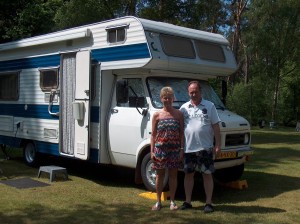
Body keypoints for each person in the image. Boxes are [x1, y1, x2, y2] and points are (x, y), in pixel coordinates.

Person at [179, 81, 221, 213]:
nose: (193, 94)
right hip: (188, 148)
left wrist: (218, 145)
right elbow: (180, 129)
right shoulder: (183, 108)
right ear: (188, 92)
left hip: (206, 147)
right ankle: (188, 201)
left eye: (195, 91)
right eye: (191, 92)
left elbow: (216, 126)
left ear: (200, 91)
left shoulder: (210, 106)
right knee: (188, 175)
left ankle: (208, 203)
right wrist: (180, 148)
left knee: (207, 175)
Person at [151, 86, 184, 211]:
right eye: (165, 98)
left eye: (170, 98)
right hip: (160, 150)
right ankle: (158, 202)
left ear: (173, 98)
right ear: (161, 99)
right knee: (160, 175)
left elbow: (181, 133)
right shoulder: (157, 115)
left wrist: (181, 149)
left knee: (173, 175)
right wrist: (152, 151)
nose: (167, 100)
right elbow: (153, 135)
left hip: (175, 149)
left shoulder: (179, 114)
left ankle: (172, 202)